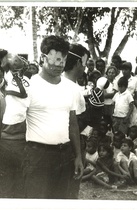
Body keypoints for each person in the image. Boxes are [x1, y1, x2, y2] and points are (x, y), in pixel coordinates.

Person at [22, 35, 83, 199]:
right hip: (38, 155)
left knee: (61, 201)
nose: (60, 65)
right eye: (55, 60)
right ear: (43, 57)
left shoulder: (71, 88)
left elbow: (73, 124)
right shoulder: (29, 86)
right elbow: (17, 123)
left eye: (63, 60)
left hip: (65, 154)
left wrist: (77, 156)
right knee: (37, 202)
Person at [0, 51, 29, 198]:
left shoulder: (21, 81)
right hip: (8, 138)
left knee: (18, 182)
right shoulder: (9, 80)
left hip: (18, 138)